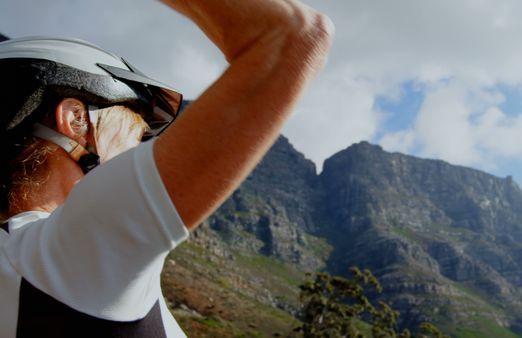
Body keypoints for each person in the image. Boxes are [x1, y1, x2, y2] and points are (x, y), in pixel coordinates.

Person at [0, 0, 333, 336]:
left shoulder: (25, 263)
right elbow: (294, 34)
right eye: (136, 133)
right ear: (76, 120)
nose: (142, 149)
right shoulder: (70, 257)